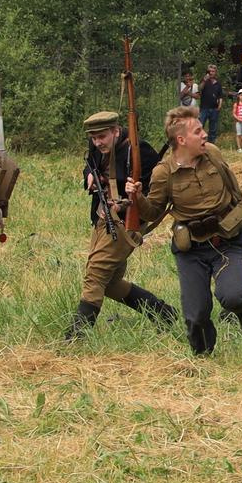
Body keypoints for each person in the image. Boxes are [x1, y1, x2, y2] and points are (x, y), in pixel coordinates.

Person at [126, 105, 242, 356]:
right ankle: (203, 357)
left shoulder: (212, 153)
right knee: (196, 314)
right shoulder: (163, 172)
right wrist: (136, 198)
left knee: (231, 296)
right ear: (181, 140)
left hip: (226, 239)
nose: (204, 135)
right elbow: (153, 212)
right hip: (192, 249)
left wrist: (241, 206)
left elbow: (231, 183)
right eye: (198, 131)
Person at [64, 110, 180, 339]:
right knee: (109, 282)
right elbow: (90, 165)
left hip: (127, 223)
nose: (98, 143)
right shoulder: (97, 147)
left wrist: (130, 199)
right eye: (94, 138)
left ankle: (76, 337)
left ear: (116, 131)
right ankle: (162, 312)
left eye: (102, 137)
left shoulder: (139, 152)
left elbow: (157, 189)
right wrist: (88, 175)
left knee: (96, 275)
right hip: (102, 218)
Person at [196, 65, 223, 134]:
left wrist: (219, 105)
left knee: (213, 128)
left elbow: (220, 95)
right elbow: (199, 88)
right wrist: (204, 81)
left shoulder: (218, 83)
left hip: (214, 108)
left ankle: (211, 143)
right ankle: (199, 142)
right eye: (209, 71)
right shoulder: (204, 80)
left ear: (215, 72)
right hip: (204, 108)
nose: (211, 73)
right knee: (200, 126)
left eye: (213, 71)